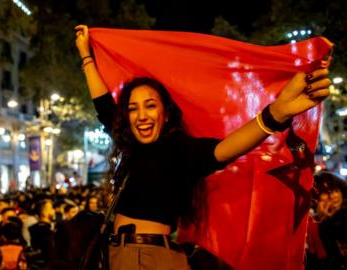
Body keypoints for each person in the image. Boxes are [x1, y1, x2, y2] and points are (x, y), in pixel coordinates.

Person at [75, 25, 331, 270]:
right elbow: (105, 107)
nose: (141, 115)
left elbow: (226, 149)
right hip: (117, 254)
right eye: (133, 108)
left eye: (150, 105)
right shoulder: (130, 146)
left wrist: (275, 114)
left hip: (151, 258)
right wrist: (87, 55)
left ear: (165, 114)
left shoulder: (179, 149)